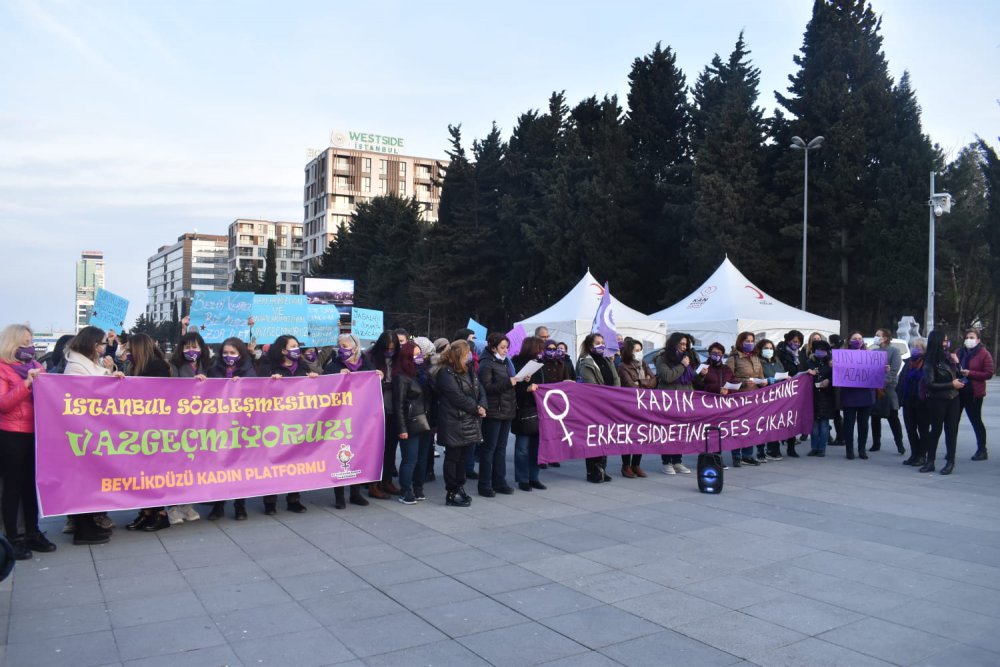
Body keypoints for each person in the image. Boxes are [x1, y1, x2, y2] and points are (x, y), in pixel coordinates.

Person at [0, 324, 57, 559]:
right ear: (11, 344)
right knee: (13, 487)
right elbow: (3, 404)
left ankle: (33, 532)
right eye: (24, 343)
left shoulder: (37, 366)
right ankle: (12, 538)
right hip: (11, 435)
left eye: (30, 343)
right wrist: (26, 385)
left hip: (35, 433)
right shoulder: (3, 369)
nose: (29, 347)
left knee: (31, 486)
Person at [62, 326, 120, 544]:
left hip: (93, 430)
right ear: (94, 345)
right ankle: (83, 529)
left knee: (91, 479)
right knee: (84, 481)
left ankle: (89, 524)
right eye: (103, 343)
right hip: (82, 431)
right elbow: (88, 396)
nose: (105, 347)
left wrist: (111, 374)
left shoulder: (90, 364)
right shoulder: (76, 366)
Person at [120, 334, 174, 532]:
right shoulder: (137, 366)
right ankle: (146, 512)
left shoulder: (156, 366)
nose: (127, 353)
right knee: (142, 471)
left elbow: (157, 395)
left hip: (154, 426)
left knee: (153, 471)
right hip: (141, 426)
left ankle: (160, 513)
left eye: (129, 350)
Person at [259, 335, 316, 514]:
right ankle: (270, 501)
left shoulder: (302, 367)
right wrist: (269, 381)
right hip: (274, 424)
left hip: (297, 423)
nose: (296, 349)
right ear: (283, 350)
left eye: (297, 345)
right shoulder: (269, 367)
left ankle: (294, 499)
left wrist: (314, 379)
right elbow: (257, 391)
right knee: (272, 462)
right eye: (292, 346)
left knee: (295, 461)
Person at [205, 337, 257, 520]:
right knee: (219, 467)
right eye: (225, 352)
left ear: (240, 354)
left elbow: (256, 393)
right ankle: (218, 505)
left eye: (232, 353)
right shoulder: (214, 370)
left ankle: (240, 506)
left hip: (240, 426)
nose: (228, 356)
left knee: (239, 467)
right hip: (218, 425)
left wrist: (243, 385)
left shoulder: (249, 370)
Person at [323, 334, 374, 510]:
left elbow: (372, 382)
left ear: (355, 347)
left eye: (344, 345)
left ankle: (355, 493)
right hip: (340, 419)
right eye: (339, 345)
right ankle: (339, 496)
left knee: (358, 454)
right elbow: (323, 385)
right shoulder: (334, 365)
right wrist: (336, 376)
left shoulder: (366, 364)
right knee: (339, 456)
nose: (341, 349)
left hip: (360, 417)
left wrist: (378, 376)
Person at [435, 341, 486, 507]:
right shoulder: (445, 372)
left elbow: (479, 388)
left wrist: (482, 404)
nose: (469, 355)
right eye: (466, 353)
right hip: (453, 421)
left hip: (469, 420)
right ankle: (451, 491)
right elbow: (456, 396)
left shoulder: (469, 369)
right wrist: (476, 408)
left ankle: (459, 486)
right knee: (453, 457)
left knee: (463, 458)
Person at [477, 332, 516, 497]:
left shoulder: (505, 362)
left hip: (506, 410)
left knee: (501, 448)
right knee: (489, 449)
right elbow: (485, 388)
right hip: (493, 411)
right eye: (502, 347)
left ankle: (499, 481)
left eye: (507, 347)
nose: (506, 350)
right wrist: (508, 383)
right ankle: (484, 484)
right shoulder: (486, 363)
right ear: (493, 348)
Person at [393, 340, 432, 505]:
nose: (419, 357)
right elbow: (399, 404)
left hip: (426, 421)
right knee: (410, 459)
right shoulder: (401, 377)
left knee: (422, 459)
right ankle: (406, 491)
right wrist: (402, 428)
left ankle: (418, 488)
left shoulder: (423, 373)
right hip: (411, 422)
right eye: (415, 355)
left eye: (419, 354)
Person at [577, 333, 620, 482]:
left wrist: (616, 395)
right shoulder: (586, 362)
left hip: (609, 404)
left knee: (604, 437)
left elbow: (616, 378)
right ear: (590, 346)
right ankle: (592, 471)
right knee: (594, 438)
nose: (601, 345)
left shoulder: (607, 359)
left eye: (602, 342)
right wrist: (607, 396)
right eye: (597, 343)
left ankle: (602, 469)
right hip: (594, 406)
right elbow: (591, 386)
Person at [920, 330, 963, 475]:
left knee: (951, 431)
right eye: (944, 340)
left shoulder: (949, 358)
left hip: (953, 399)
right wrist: (951, 384)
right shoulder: (930, 361)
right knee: (935, 430)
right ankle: (930, 461)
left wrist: (958, 364)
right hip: (938, 400)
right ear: (937, 342)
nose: (947, 343)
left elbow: (959, 376)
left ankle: (950, 462)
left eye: (947, 340)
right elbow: (929, 384)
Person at [367, 331, 402, 499]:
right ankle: (373, 484)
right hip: (375, 410)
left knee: (390, 447)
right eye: (387, 349)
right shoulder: (370, 358)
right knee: (375, 449)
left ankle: (387, 480)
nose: (390, 352)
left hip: (394, 409)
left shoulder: (399, 359)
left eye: (393, 349)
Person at [726, 331, 768, 466]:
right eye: (747, 341)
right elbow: (728, 378)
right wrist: (744, 382)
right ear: (741, 342)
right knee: (738, 427)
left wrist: (763, 382)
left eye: (752, 341)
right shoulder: (734, 358)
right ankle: (736, 456)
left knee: (750, 427)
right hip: (739, 397)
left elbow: (760, 375)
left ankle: (747, 455)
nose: (750, 343)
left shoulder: (756, 357)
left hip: (753, 397)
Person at [655, 332, 695, 475]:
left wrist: (700, 375)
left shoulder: (686, 358)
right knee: (668, 432)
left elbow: (690, 380)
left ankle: (677, 461)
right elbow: (668, 376)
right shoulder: (662, 358)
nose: (684, 347)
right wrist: (682, 366)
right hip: (669, 401)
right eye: (681, 344)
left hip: (684, 401)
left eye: (686, 344)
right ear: (674, 343)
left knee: (680, 432)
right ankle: (667, 462)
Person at [512, 336, 547, 491]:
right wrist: (526, 386)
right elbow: (512, 388)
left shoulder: (539, 365)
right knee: (522, 448)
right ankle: (523, 479)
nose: (541, 352)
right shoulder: (517, 364)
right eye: (539, 349)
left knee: (536, 447)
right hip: (523, 410)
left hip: (539, 409)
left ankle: (534, 477)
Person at [618, 338, 657, 477]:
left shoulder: (643, 363)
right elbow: (630, 386)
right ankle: (626, 465)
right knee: (629, 435)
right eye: (636, 350)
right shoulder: (623, 366)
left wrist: (640, 382)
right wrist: (645, 382)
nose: (639, 353)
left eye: (641, 350)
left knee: (641, 434)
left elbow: (654, 381)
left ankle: (636, 464)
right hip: (629, 404)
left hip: (644, 403)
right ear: (630, 351)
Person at [958, 329, 994, 461]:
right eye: (967, 337)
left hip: (974, 392)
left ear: (978, 340)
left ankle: (982, 450)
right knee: (953, 421)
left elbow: (989, 373)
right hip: (958, 391)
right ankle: (951, 450)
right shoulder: (960, 352)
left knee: (976, 420)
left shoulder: (984, 354)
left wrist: (970, 373)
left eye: (972, 337)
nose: (969, 340)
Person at [841, 331, 875, 461]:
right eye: (855, 338)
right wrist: (834, 365)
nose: (858, 340)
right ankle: (849, 450)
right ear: (849, 341)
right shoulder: (843, 356)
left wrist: (883, 369)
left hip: (865, 394)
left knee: (863, 425)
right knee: (849, 424)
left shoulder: (869, 355)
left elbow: (874, 373)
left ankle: (862, 449)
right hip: (849, 394)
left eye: (860, 338)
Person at [869, 328, 905, 454]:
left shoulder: (894, 351)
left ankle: (899, 444)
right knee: (875, 417)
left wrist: (883, 381)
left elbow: (894, 371)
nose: (875, 337)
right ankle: (876, 443)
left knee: (893, 417)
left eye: (877, 335)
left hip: (889, 389)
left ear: (885, 338)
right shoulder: (873, 352)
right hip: (875, 390)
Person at [899, 338, 930, 467]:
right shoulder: (909, 362)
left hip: (922, 402)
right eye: (913, 346)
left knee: (923, 429)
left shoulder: (927, 363)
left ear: (924, 350)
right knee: (910, 429)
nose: (915, 349)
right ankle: (914, 453)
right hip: (908, 401)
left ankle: (922, 455)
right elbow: (902, 380)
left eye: (918, 347)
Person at [777, 330, 805, 456]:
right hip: (782, 389)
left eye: (799, 342)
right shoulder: (780, 353)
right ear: (788, 340)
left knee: (792, 418)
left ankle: (791, 446)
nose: (797, 344)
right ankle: (775, 447)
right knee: (779, 419)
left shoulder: (799, 354)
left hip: (796, 390)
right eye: (794, 341)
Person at [757, 338, 785, 461]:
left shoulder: (777, 361)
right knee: (762, 425)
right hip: (763, 397)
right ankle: (760, 451)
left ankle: (773, 448)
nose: (769, 350)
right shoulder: (758, 362)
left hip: (777, 397)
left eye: (770, 348)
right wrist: (769, 380)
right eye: (766, 348)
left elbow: (782, 373)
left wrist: (785, 378)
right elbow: (757, 378)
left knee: (774, 424)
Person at [806, 340, 834, 456]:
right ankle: (814, 447)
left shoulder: (831, 363)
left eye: (823, 350)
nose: (820, 352)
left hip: (827, 396)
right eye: (818, 349)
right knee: (814, 424)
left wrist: (829, 380)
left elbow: (837, 376)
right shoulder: (810, 362)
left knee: (824, 424)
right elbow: (802, 375)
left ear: (827, 351)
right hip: (812, 396)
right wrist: (808, 374)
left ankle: (822, 448)